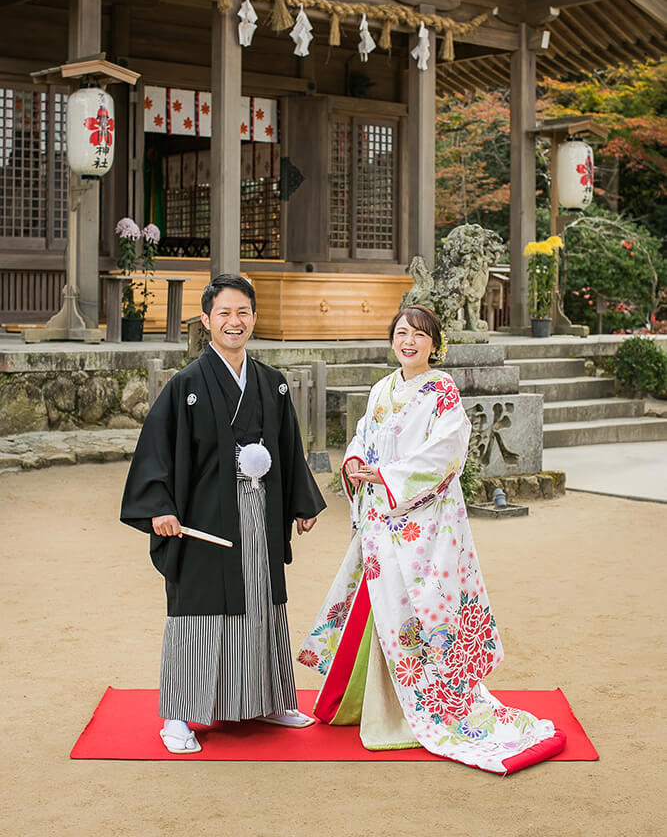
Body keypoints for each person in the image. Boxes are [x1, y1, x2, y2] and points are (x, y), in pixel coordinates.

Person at [299, 305, 565, 775]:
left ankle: (411, 709)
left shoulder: (442, 390)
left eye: (420, 335)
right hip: (382, 516)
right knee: (379, 605)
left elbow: (446, 453)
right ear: (392, 340)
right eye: (401, 333)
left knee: (415, 610)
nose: (409, 342)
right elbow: (363, 434)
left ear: (434, 345)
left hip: (425, 525)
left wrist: (384, 475)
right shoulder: (382, 388)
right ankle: (372, 703)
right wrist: (357, 463)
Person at [121, 273, 326, 753]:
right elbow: (158, 450)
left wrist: (300, 502)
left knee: (261, 602)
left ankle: (269, 700)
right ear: (207, 321)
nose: (234, 322)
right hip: (207, 516)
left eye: (243, 313)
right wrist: (159, 508)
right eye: (224, 314)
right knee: (199, 610)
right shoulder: (187, 385)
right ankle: (179, 715)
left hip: (262, 511)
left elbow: (289, 449)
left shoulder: (271, 384)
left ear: (254, 318)